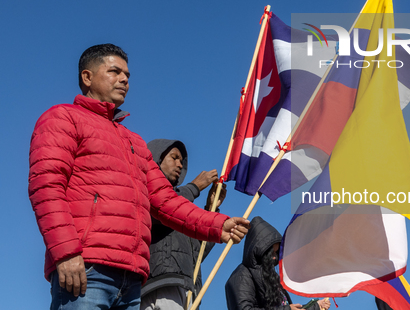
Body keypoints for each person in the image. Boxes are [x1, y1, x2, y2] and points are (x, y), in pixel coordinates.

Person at [28, 43, 249, 310]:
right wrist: (66, 252)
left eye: (127, 75)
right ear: (87, 77)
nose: (124, 80)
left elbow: (166, 201)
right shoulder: (63, 118)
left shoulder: (133, 141)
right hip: (87, 270)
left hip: (132, 280)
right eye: (114, 71)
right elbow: (46, 187)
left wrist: (216, 225)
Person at [141, 139, 227, 310]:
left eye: (181, 161)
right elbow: (162, 208)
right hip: (161, 285)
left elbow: (197, 252)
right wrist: (194, 187)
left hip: (185, 288)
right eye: (174, 158)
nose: (180, 165)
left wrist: (211, 209)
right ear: (157, 159)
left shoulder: (183, 207)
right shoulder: (146, 193)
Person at [225, 216, 331, 310]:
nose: (275, 257)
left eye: (276, 252)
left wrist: (315, 306)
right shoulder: (241, 275)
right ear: (260, 251)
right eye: (271, 253)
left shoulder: (270, 277)